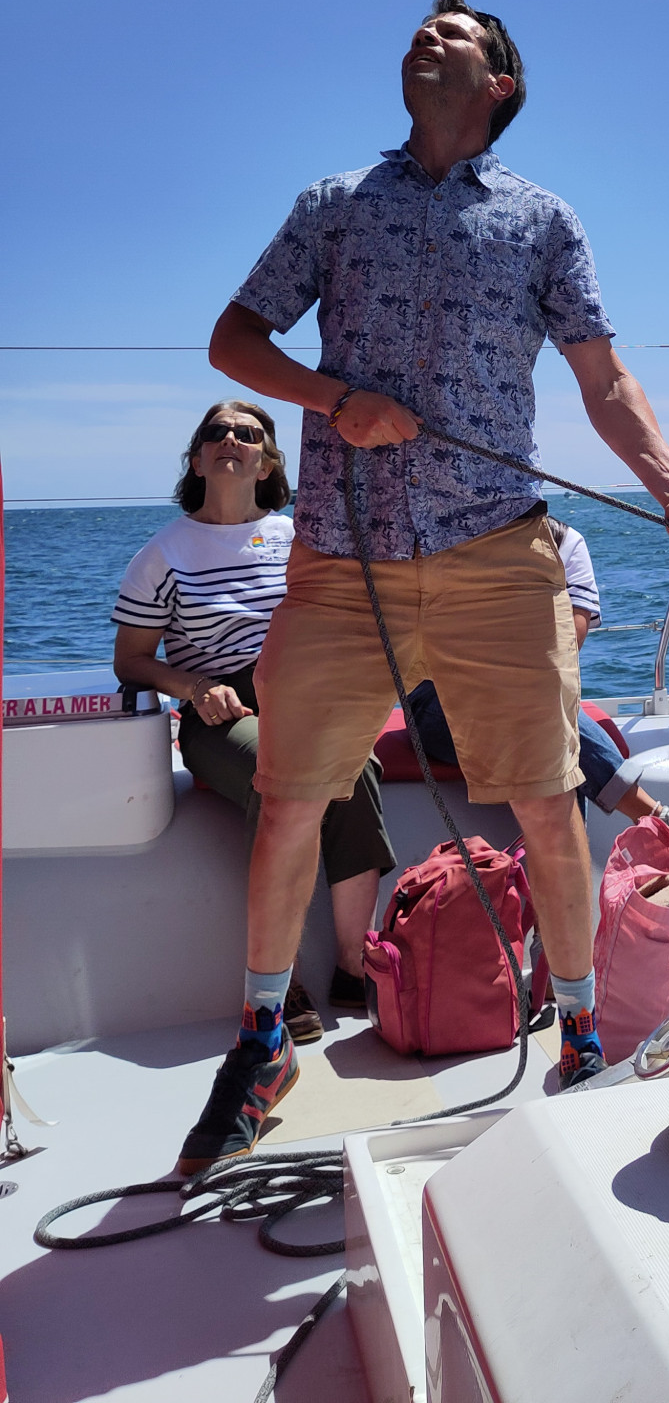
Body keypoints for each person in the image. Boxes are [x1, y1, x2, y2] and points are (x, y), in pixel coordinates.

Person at [174, 0, 669, 1173]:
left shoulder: (544, 220)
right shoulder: (334, 204)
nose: (427, 35)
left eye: (458, 34)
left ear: (500, 86)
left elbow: (602, 379)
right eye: (420, 29)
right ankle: (265, 1038)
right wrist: (334, 400)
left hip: (498, 550)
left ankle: (581, 1036)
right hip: (341, 558)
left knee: (546, 802)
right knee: (288, 797)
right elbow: (235, 341)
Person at [113, 402, 396, 1040]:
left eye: (249, 434)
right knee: (282, 775)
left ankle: (354, 966)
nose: (231, 440)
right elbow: (130, 662)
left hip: (300, 695)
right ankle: (278, 979)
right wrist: (191, 687)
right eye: (216, 432)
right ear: (197, 458)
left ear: (267, 461)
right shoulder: (163, 553)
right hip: (220, 710)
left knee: (361, 767)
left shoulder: (299, 539)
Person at [407, 515, 669, 842]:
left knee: (546, 720)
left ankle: (556, 878)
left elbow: (566, 647)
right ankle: (658, 820)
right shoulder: (454, 537)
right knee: (546, 714)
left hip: (535, 697)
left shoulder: (565, 543)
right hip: (440, 704)